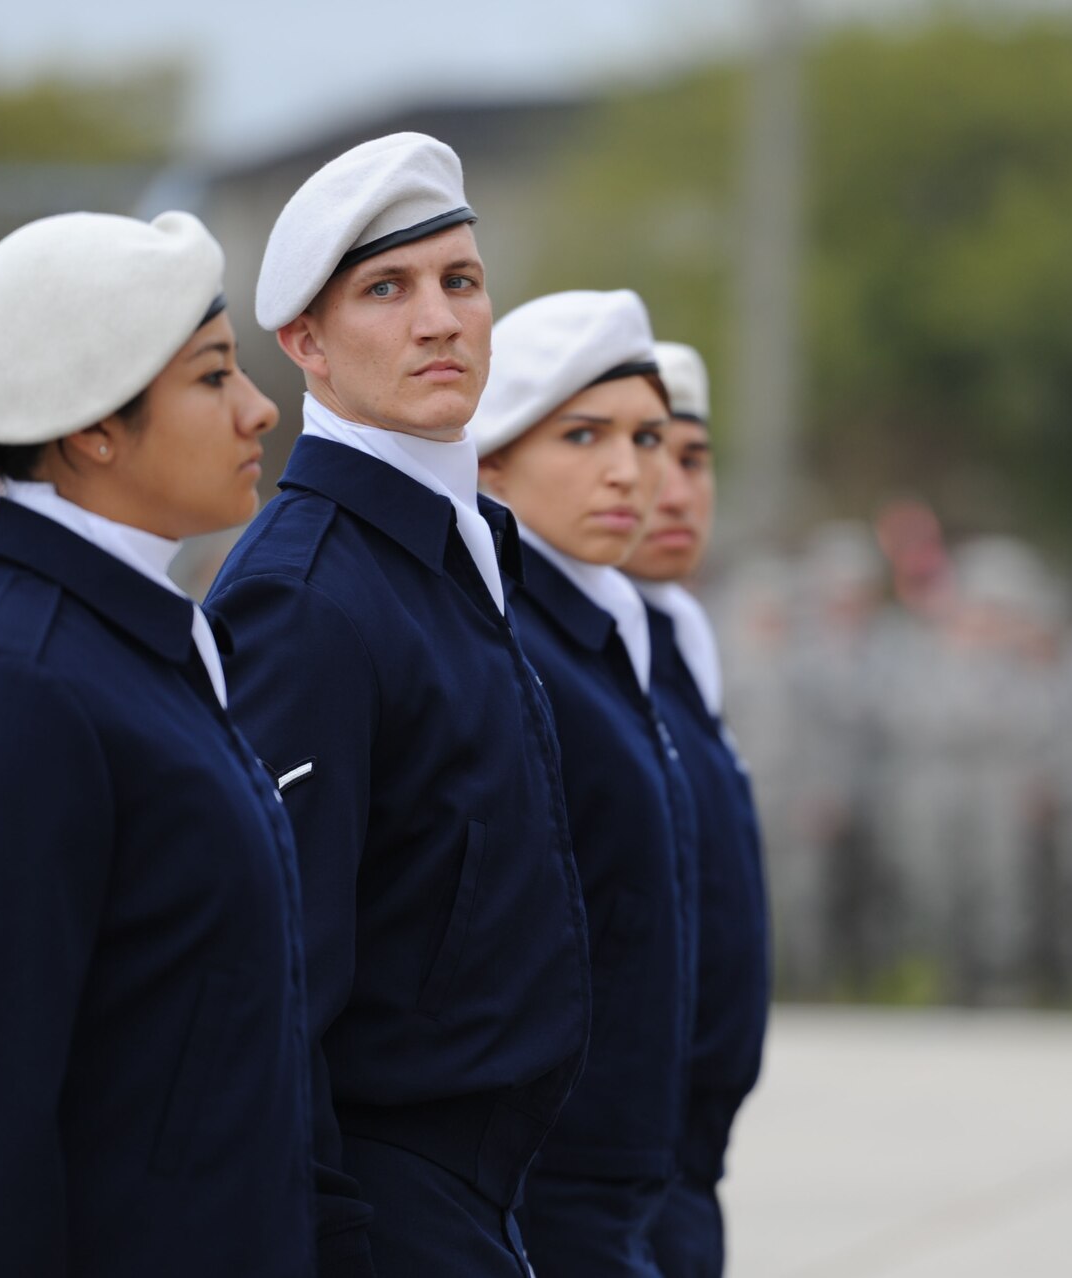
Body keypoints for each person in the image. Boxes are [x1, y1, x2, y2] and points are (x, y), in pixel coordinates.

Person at [0, 211, 313, 1276]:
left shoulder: (121, 645)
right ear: (95, 427)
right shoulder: (19, 694)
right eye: (211, 377)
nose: (257, 408)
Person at [205, 133, 592, 1278]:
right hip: (385, 1205)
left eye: (459, 282)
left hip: (482, 1193)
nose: (440, 320)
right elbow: (278, 985)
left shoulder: (448, 549)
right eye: (387, 289)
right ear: (305, 344)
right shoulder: (304, 597)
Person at [472, 290, 697, 1277]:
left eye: (650, 437)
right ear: (490, 460)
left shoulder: (598, 634)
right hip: (550, 1187)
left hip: (640, 1174)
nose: (629, 472)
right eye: (581, 434)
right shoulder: (511, 649)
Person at [622, 341, 770, 1277]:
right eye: (645, 452)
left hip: (688, 1162)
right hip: (622, 1169)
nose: (673, 492)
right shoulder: (563, 661)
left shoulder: (676, 641)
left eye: (693, 458)